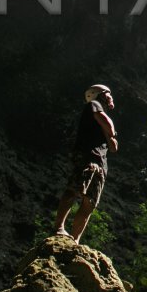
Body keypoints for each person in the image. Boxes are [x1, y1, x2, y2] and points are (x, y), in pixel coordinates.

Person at [54, 83, 118, 243]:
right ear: (99, 94)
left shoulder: (99, 110)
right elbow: (109, 130)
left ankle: (75, 240)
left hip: (101, 163)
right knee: (75, 189)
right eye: (108, 94)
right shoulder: (94, 104)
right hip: (87, 156)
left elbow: (113, 147)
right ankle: (59, 228)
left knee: (90, 203)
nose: (111, 97)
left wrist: (110, 135)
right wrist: (111, 133)